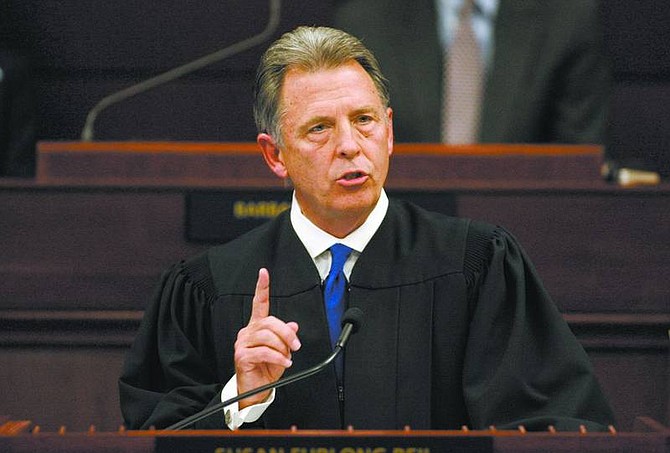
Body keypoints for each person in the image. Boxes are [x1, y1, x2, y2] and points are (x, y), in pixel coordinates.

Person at [119, 26, 615, 431]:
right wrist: (240, 397)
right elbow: (155, 435)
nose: (350, 146)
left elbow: (555, 427)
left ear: (390, 130)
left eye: (364, 120)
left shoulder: (476, 265)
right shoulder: (208, 287)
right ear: (275, 156)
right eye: (320, 128)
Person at [332, 0, 612, 144]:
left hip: (525, 233)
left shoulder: (568, 19)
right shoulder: (365, 20)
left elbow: (576, 164)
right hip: (397, 230)